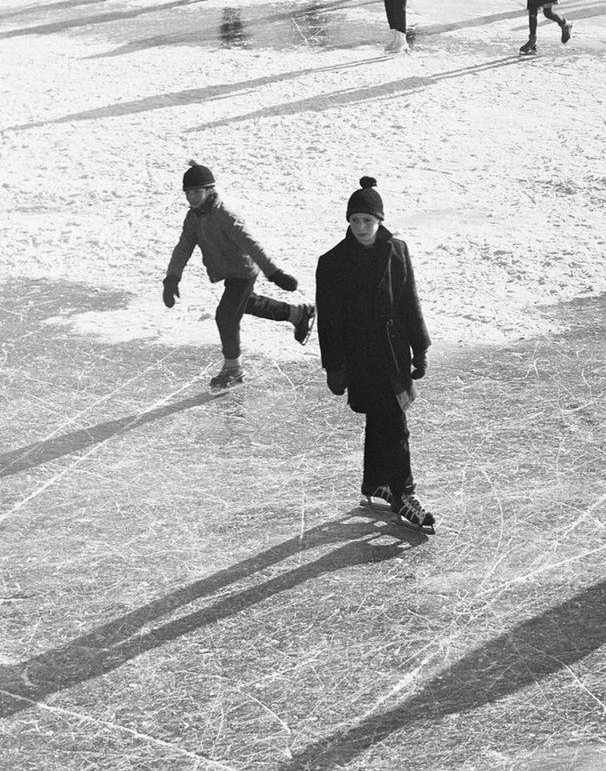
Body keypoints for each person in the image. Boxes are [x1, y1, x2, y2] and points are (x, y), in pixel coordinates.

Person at [316, 176, 436, 532]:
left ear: (379, 220)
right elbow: (329, 320)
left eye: (367, 220)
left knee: (388, 418)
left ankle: (378, 484)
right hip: (361, 355)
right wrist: (333, 366)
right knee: (391, 422)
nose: (361, 227)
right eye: (355, 221)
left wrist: (421, 348)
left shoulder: (397, 250)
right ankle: (404, 494)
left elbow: (409, 301)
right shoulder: (333, 262)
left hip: (394, 352)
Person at [161, 160, 314, 391]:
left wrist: (274, 273)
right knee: (246, 304)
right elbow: (183, 247)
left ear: (210, 190)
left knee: (225, 316)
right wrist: (172, 278)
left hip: (243, 270)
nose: (192, 197)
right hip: (228, 271)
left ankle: (233, 368)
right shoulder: (194, 216)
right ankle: (297, 314)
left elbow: (251, 245)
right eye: (188, 192)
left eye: (197, 191)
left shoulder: (225, 215)